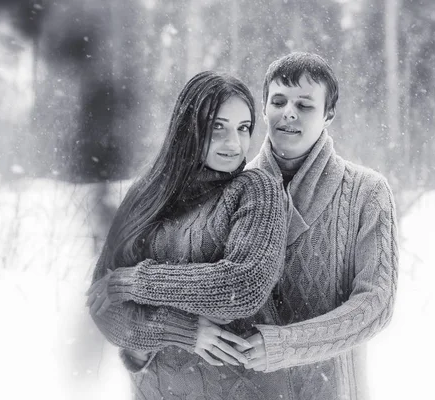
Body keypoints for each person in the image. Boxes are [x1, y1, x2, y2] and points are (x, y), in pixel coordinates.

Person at [86, 71, 292, 399]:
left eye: (243, 128)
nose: (234, 143)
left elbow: (241, 286)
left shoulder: (255, 189)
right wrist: (182, 330)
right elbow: (100, 306)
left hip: (241, 388)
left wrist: (129, 283)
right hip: (155, 390)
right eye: (218, 127)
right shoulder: (145, 195)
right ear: (188, 129)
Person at [232, 51, 399, 399]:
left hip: (331, 390)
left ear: (329, 114)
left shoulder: (367, 192)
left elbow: (376, 304)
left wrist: (285, 344)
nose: (288, 112)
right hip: (247, 389)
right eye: (278, 101)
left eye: (305, 105)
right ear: (263, 108)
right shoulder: (232, 189)